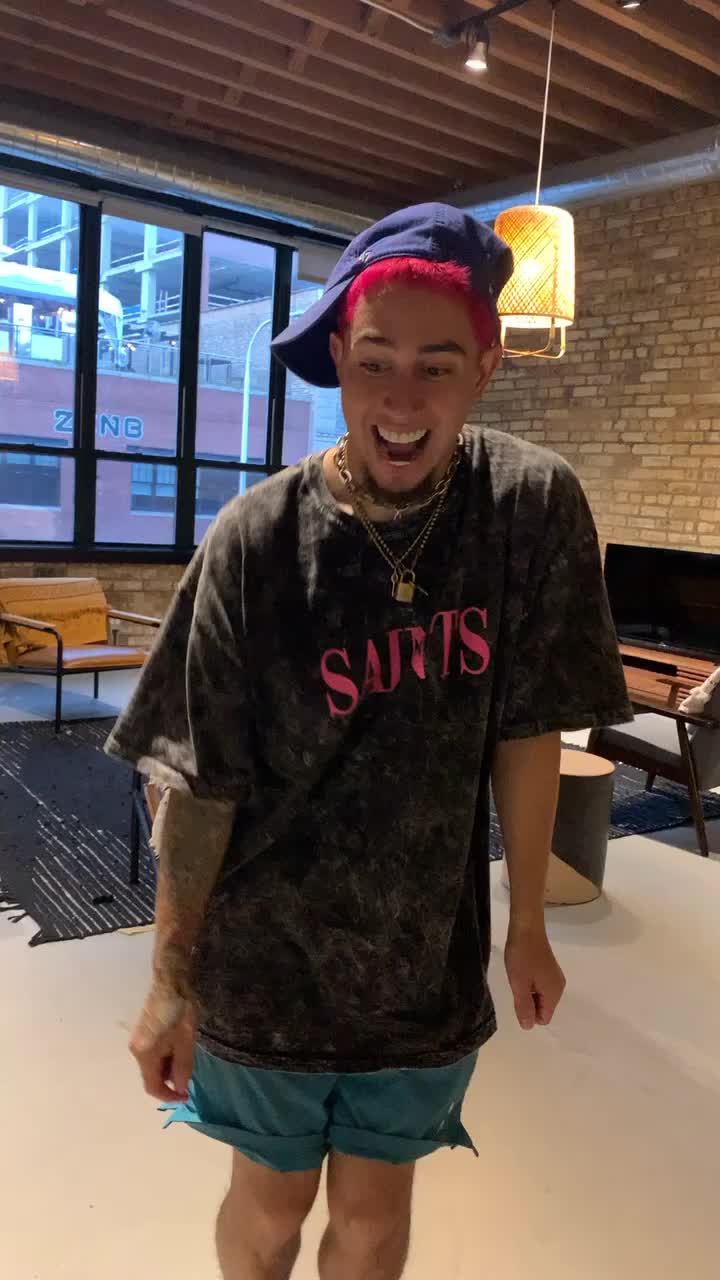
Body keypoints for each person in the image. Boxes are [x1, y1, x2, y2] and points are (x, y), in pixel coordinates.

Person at [106, 203, 633, 1280]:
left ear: (485, 367)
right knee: (269, 1212)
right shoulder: (256, 540)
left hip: (419, 965)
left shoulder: (528, 509)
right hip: (263, 963)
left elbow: (528, 724)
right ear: (339, 358)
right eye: (377, 361)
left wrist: (527, 923)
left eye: (437, 367)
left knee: (375, 1218)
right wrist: (170, 977)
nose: (401, 399)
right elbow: (199, 779)